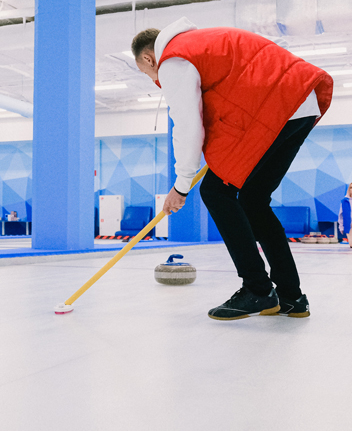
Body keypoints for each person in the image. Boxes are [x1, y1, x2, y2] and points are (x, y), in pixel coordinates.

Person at [132, 18, 333, 320]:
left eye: (147, 72)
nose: (153, 78)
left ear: (149, 58)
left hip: (274, 106)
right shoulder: (202, 41)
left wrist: (181, 186)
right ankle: (291, 296)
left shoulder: (173, 59)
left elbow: (187, 126)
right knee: (253, 200)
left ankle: (258, 290)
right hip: (298, 103)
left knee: (214, 191)